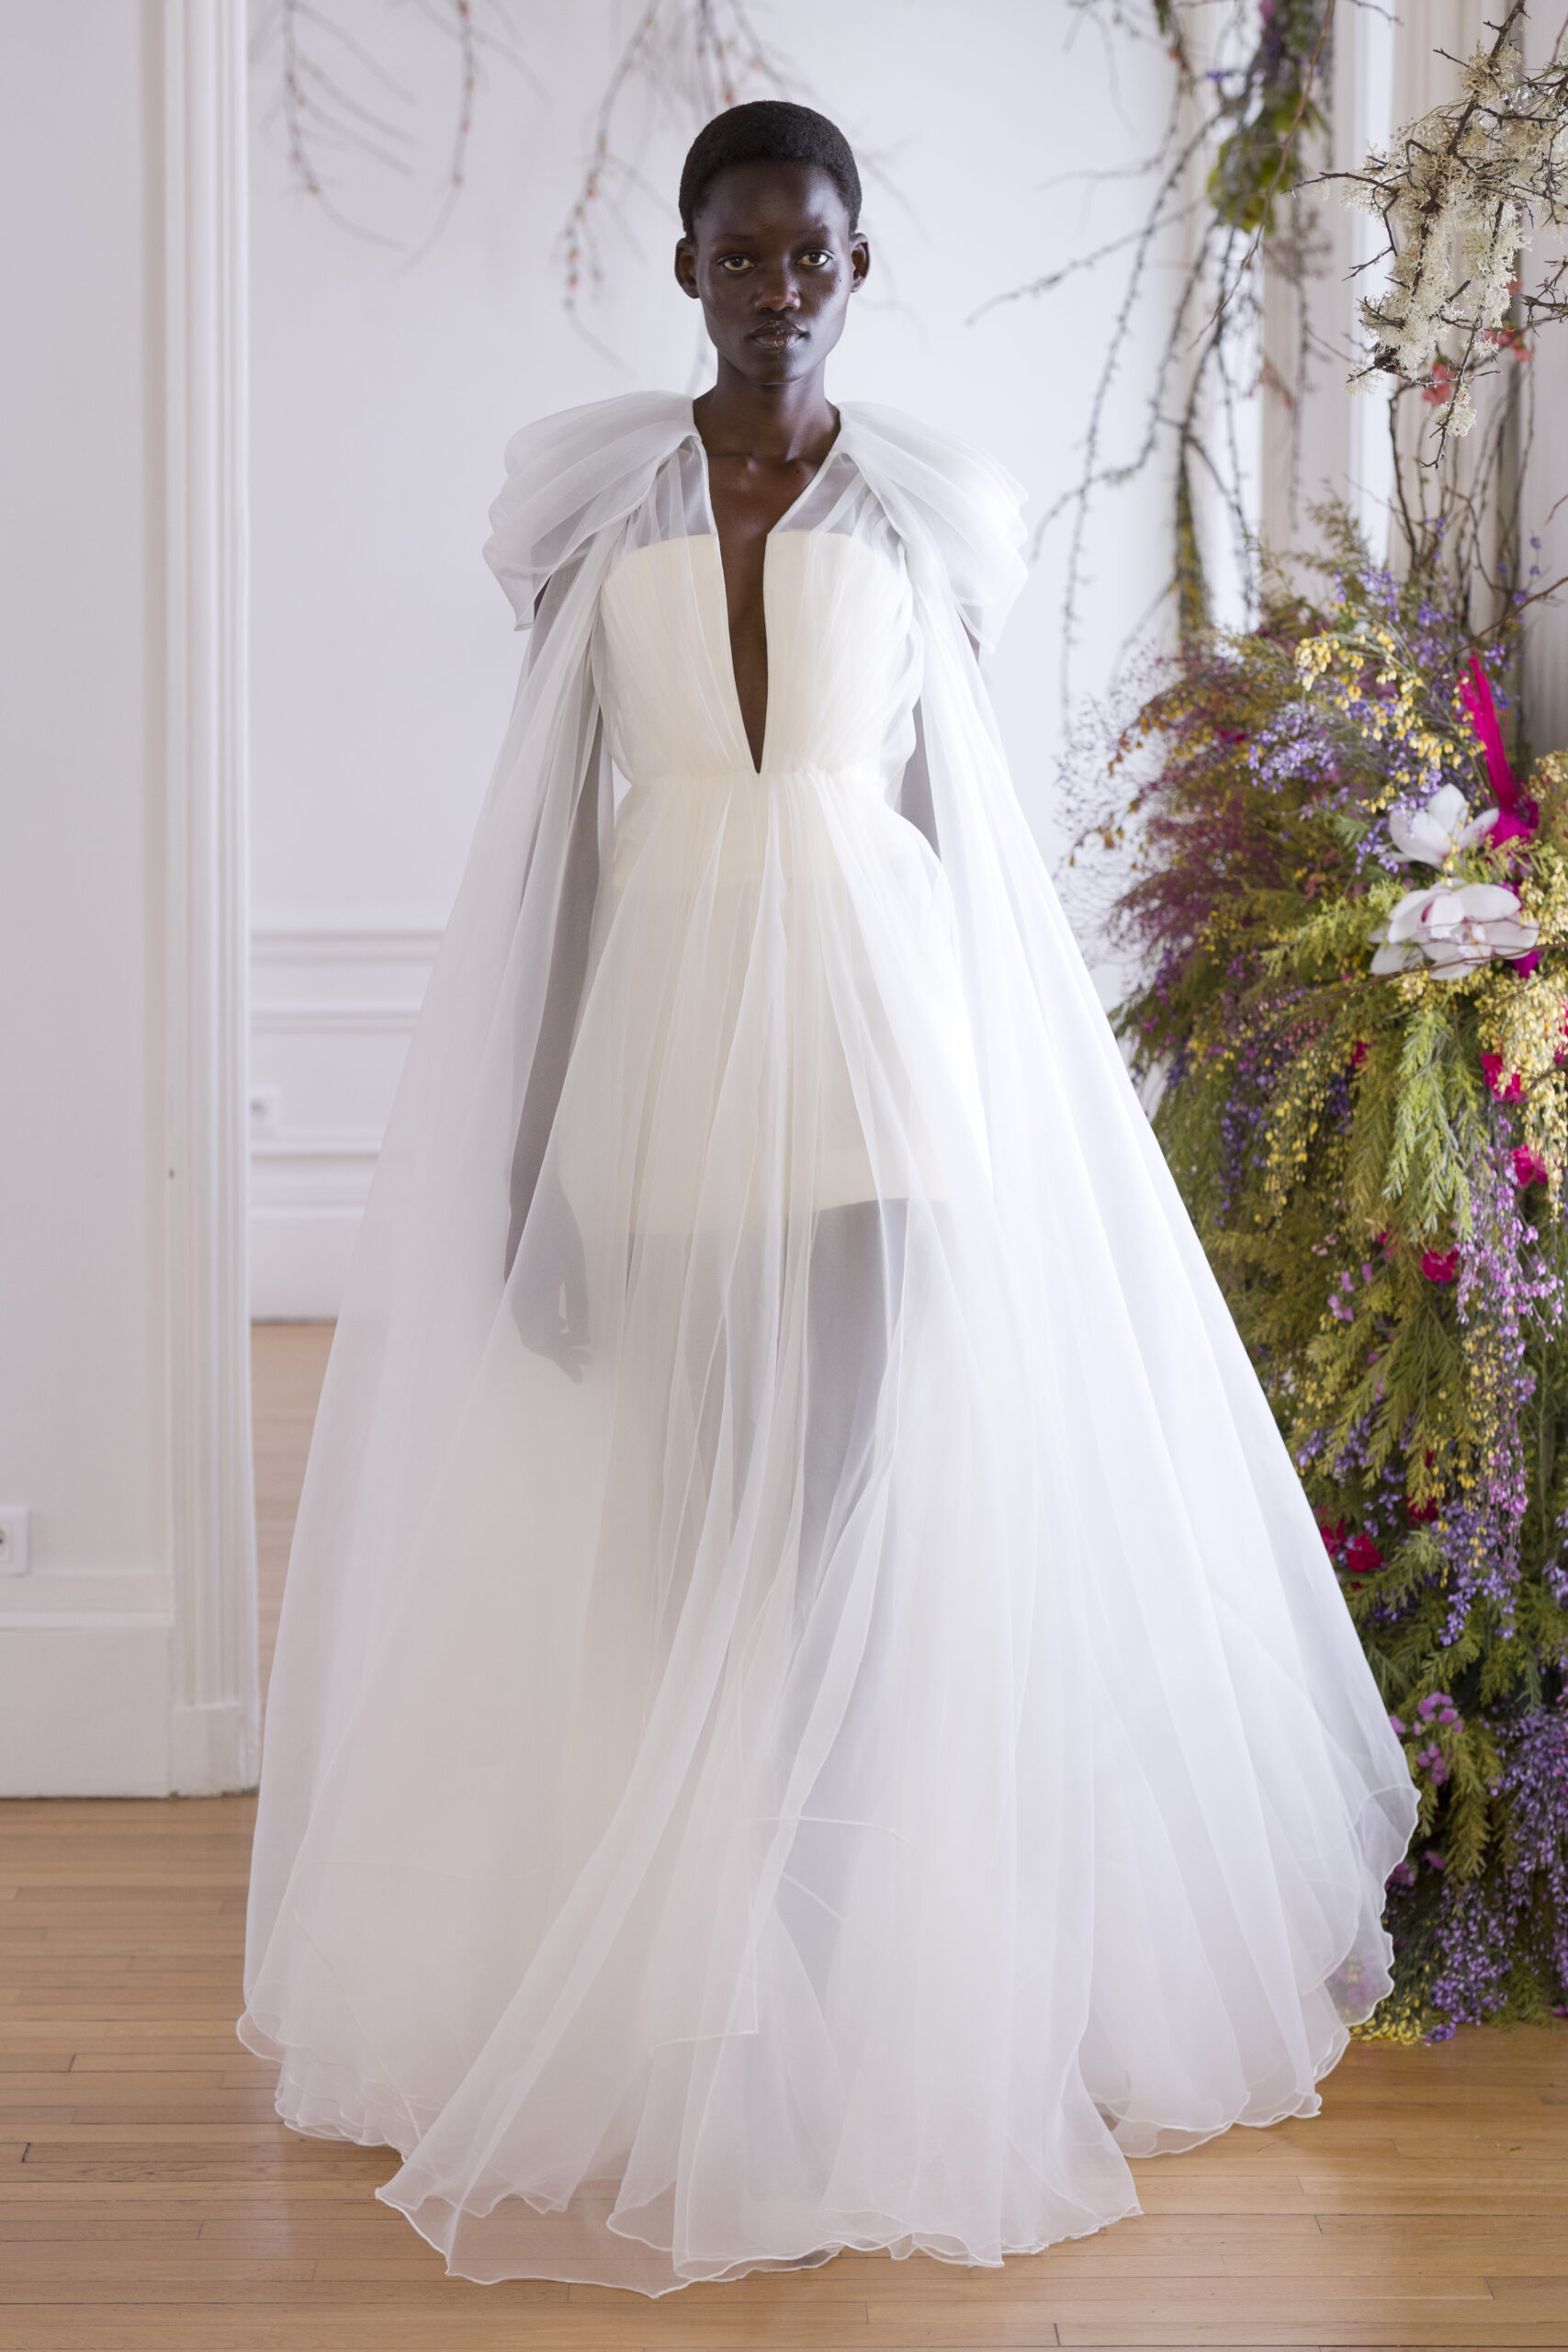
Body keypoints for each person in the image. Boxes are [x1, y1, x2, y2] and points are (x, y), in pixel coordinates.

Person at [240, 100, 1416, 2297]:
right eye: (741, 253)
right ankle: (698, 1975)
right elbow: (553, 853)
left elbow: (957, 840)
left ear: (857, 269)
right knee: (682, 1518)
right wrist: (528, 1144)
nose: (777, 288)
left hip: (879, 1055)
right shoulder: (594, 516)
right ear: (684, 269)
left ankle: (837, 1950)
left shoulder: (922, 507)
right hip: (665, 1050)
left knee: (851, 1513)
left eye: (812, 255)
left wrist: (1018, 1123)